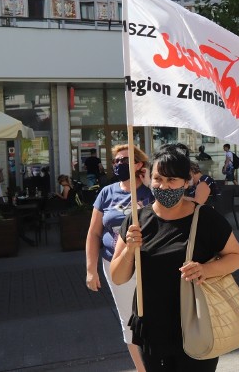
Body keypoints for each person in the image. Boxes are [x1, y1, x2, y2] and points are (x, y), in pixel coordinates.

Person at [110, 143, 239, 371]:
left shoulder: (205, 219)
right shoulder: (136, 221)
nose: (164, 186)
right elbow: (118, 277)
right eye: (158, 179)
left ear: (186, 182)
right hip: (151, 326)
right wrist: (129, 251)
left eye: (172, 180)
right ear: (148, 179)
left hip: (197, 324)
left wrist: (205, 269)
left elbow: (238, 258)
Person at [85, 144, 153, 372]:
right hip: (113, 264)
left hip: (147, 264)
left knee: (153, 315)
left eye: (124, 160)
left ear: (138, 164)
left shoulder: (150, 191)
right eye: (116, 160)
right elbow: (94, 233)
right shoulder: (107, 192)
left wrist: (151, 181)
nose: (119, 164)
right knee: (128, 319)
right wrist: (91, 270)